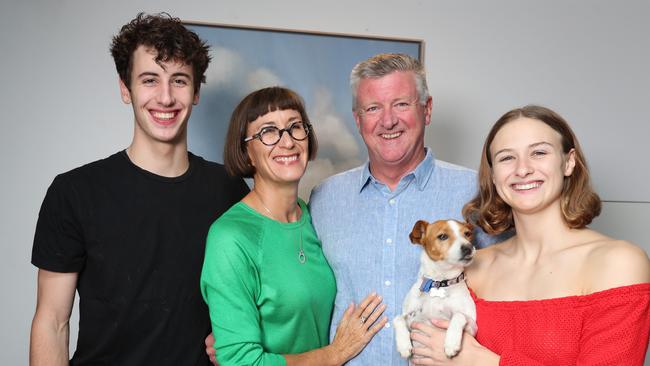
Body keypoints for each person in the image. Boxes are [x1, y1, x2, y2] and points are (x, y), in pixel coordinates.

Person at [29, 13, 249, 366]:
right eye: (150, 79)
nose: (165, 97)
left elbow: (259, 300)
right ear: (124, 88)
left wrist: (239, 337)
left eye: (179, 80)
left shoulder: (229, 190)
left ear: (196, 93)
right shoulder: (74, 192)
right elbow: (52, 323)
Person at [409, 105, 650, 365]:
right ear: (492, 175)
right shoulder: (471, 266)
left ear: (568, 162)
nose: (522, 169)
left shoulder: (619, 262)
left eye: (539, 152)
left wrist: (482, 362)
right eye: (506, 158)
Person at [308, 53, 499, 365]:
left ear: (427, 110)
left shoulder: (478, 192)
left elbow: (515, 290)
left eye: (401, 104)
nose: (388, 120)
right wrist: (240, 329)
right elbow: (300, 289)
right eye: (373, 108)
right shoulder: (324, 199)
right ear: (358, 120)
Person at [200, 86, 387, 366]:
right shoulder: (230, 238)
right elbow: (241, 362)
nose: (286, 142)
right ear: (246, 151)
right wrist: (335, 354)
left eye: (295, 127)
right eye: (268, 132)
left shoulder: (315, 218)